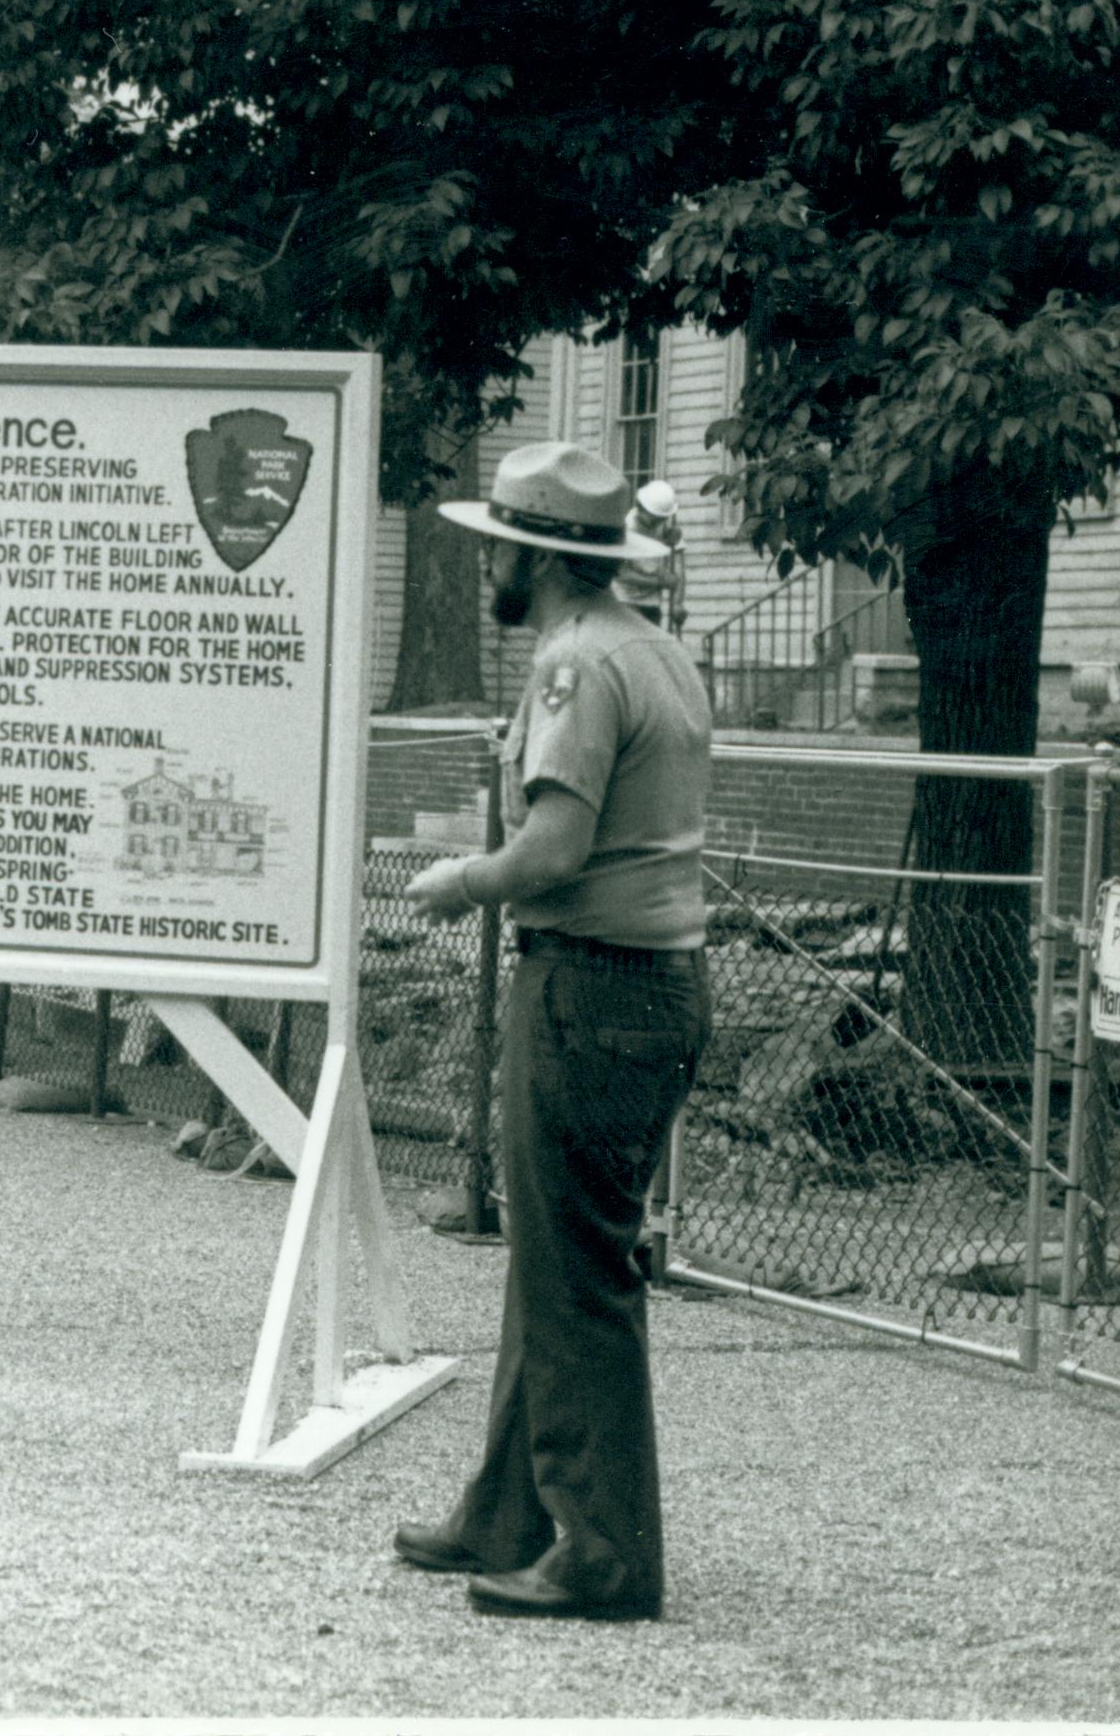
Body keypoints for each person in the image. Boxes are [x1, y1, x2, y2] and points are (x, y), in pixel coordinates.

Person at [399, 440, 712, 1623]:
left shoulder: (574, 666)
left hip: (589, 985)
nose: (490, 564)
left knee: (576, 1272)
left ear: (537, 555)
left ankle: (602, 1550)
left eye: (499, 546)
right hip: (650, 985)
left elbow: (554, 849)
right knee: (552, 1252)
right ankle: (508, 1509)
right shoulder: (658, 652)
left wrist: (463, 880)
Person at [620, 479, 687, 633]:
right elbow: (621, 574)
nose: (660, 522)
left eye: (663, 518)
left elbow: (678, 567)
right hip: (625, 600)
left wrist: (678, 602)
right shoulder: (625, 528)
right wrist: (659, 582)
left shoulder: (667, 528)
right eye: (656, 517)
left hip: (652, 603)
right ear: (641, 508)